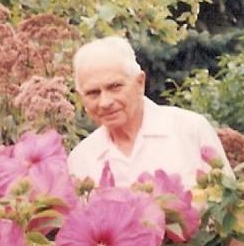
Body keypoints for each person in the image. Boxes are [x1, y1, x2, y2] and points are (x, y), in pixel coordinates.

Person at [67, 36, 232, 188]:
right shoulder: (80, 160)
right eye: (93, 93)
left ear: (140, 83)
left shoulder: (190, 131)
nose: (105, 102)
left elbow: (229, 206)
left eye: (115, 87)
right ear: (81, 98)